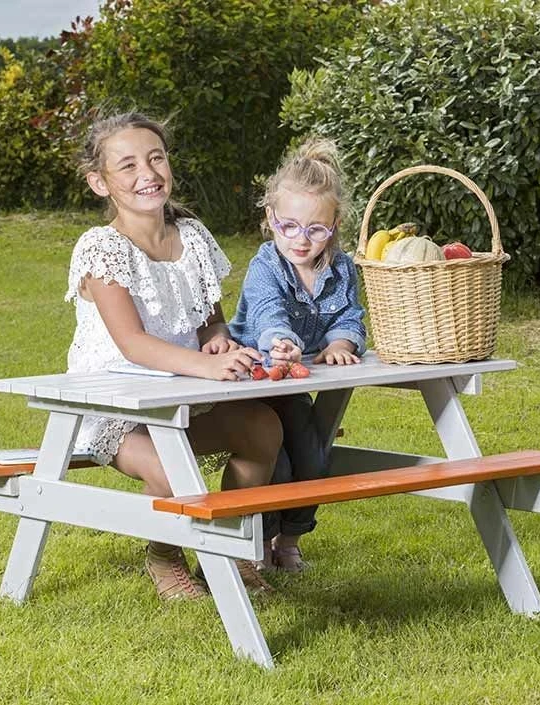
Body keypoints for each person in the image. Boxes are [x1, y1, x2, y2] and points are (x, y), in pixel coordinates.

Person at [68, 112, 282, 599]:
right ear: (99, 182)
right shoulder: (101, 248)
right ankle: (164, 554)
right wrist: (206, 365)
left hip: (183, 393)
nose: (147, 173)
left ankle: (230, 549)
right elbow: (132, 343)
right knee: (170, 469)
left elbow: (211, 319)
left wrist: (218, 340)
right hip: (117, 407)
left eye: (156, 158)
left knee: (262, 427)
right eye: (128, 166)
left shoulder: (193, 237)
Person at [229, 138, 367, 573]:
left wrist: (341, 343)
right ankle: (261, 541)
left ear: (335, 224)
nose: (301, 241)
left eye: (316, 229)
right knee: (279, 464)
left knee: (312, 454)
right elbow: (268, 310)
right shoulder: (266, 265)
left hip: (296, 384)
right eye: (289, 226)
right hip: (255, 380)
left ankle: (290, 540)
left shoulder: (340, 268)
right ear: (271, 219)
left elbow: (350, 315)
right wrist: (280, 341)